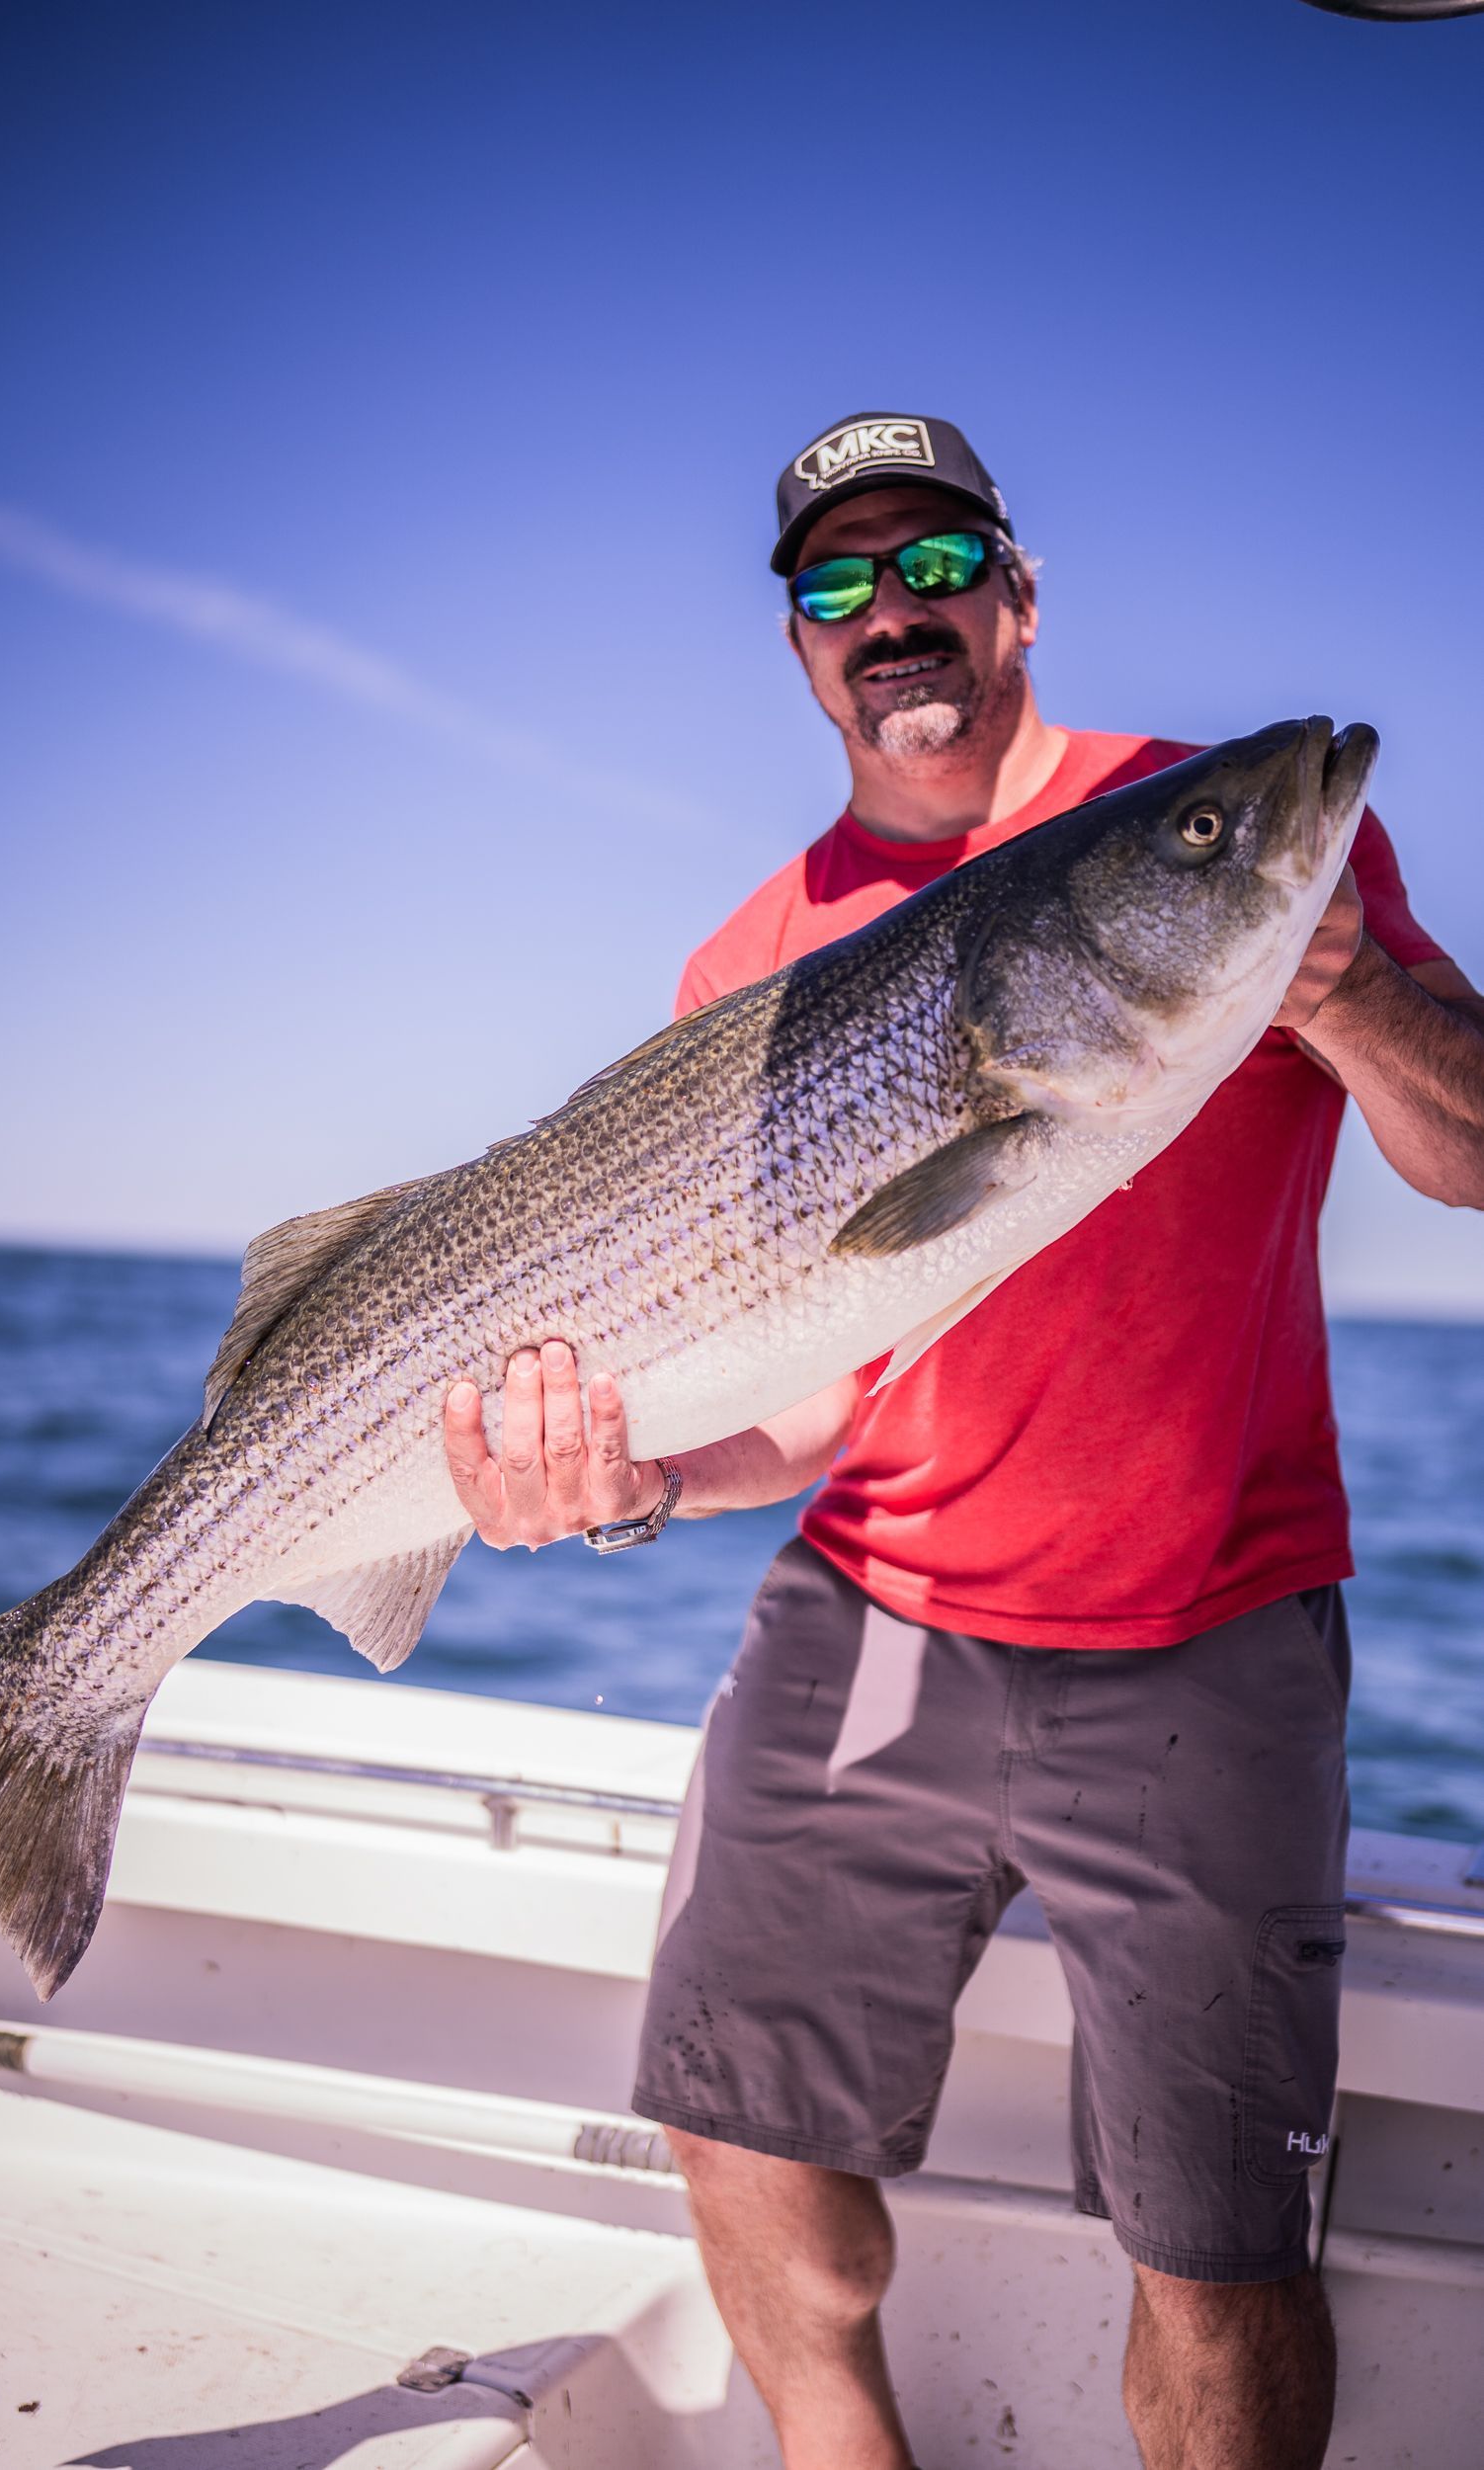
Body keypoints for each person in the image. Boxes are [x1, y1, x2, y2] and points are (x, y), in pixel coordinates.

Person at [443, 412, 1484, 2470]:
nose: (888, 611)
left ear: (1017, 592)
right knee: (734, 2129)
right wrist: (633, 1477)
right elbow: (810, 1395)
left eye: (935, 562)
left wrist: (1344, 987)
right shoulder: (754, 954)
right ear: (801, 649)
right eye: (835, 584)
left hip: (1208, 1618)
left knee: (1216, 2250)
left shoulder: (1223, 835)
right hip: (873, 1605)